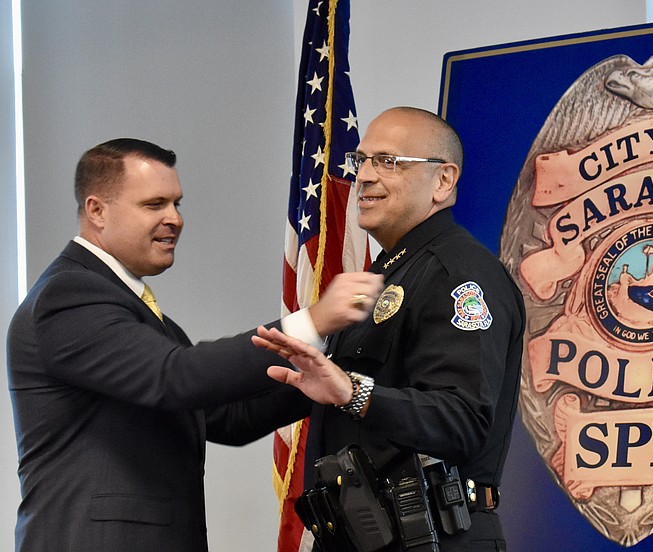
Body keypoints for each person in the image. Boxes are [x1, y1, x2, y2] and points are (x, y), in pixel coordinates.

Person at [5, 138, 383, 552]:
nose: (174, 219)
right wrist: (313, 320)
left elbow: (231, 419)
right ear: (96, 210)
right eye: (154, 204)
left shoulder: (136, 312)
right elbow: (175, 376)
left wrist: (337, 371)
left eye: (176, 204)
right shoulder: (69, 295)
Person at [254, 107, 526, 551]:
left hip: (434, 536)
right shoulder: (383, 278)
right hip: (362, 536)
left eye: (388, 162)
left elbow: (462, 420)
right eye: (362, 161)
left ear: (443, 180)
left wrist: (354, 392)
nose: (364, 176)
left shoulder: (458, 274)